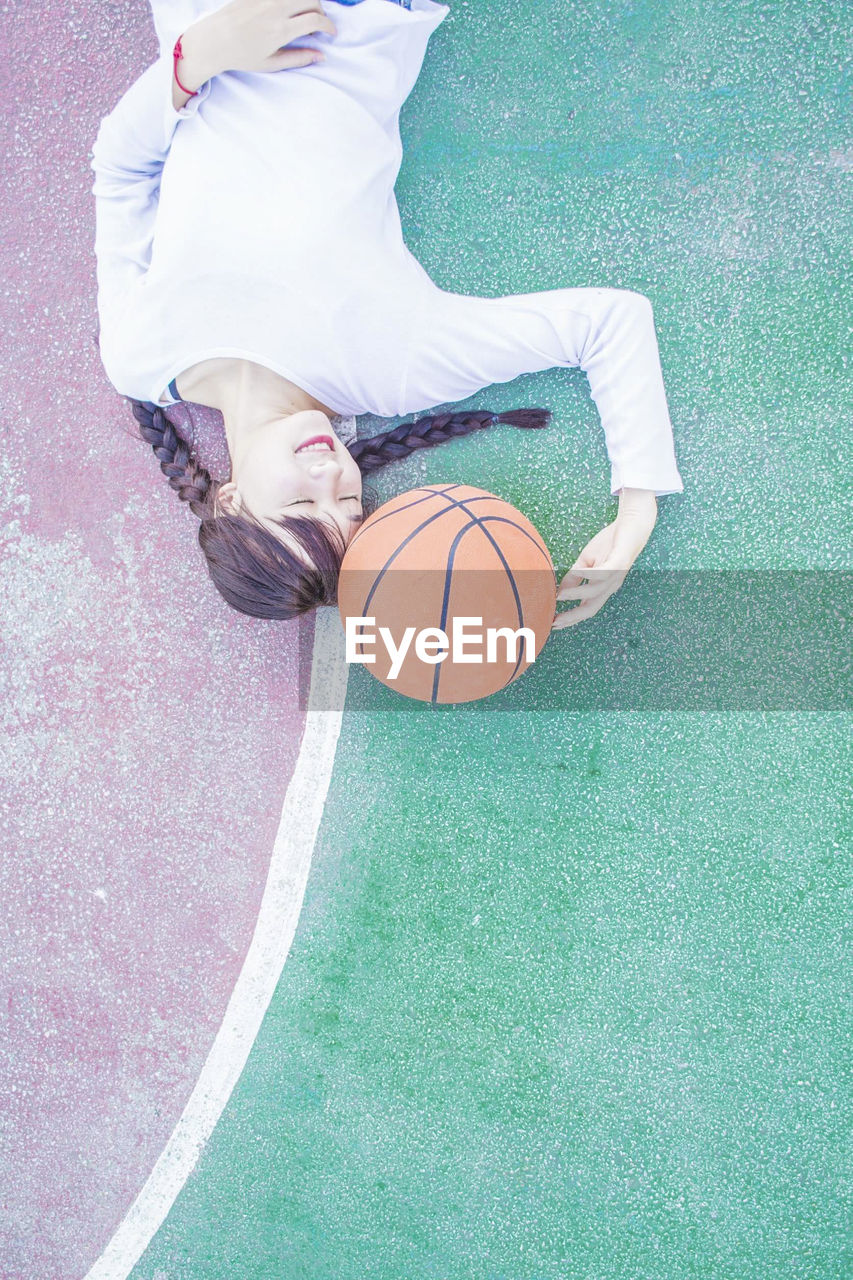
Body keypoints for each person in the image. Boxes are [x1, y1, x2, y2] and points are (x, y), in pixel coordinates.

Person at [90, 0, 685, 628]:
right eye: (349, 500)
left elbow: (120, 171)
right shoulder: (391, 370)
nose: (328, 473)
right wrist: (637, 505)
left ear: (231, 500)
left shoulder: (139, 358)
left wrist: (195, 58)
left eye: (300, 500)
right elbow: (607, 323)